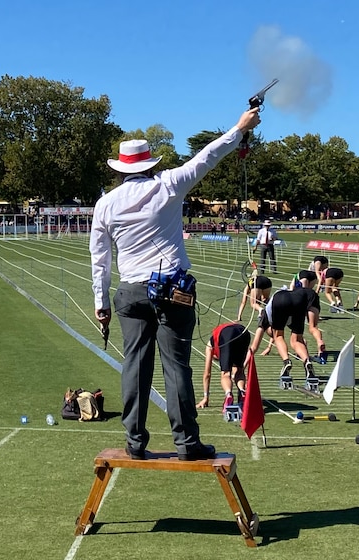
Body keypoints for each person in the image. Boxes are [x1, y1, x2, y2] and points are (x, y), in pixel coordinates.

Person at [91, 107, 262, 461]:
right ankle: (187, 443)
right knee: (177, 367)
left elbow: (100, 258)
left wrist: (100, 303)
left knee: (134, 366)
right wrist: (240, 129)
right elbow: (207, 157)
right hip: (173, 292)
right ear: (150, 164)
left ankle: (134, 442)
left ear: (121, 169)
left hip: (131, 292)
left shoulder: (105, 204)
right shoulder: (168, 184)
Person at [248, 270, 322, 379]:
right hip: (298, 299)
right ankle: (306, 361)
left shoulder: (265, 316)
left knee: (278, 336)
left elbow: (256, 344)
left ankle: (286, 361)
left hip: (280, 299)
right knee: (296, 339)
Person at [197, 323, 251, 413]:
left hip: (227, 334)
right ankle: (242, 391)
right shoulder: (219, 339)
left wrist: (205, 397)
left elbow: (207, 373)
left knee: (225, 373)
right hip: (244, 332)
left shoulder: (210, 346)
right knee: (240, 370)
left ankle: (228, 394)